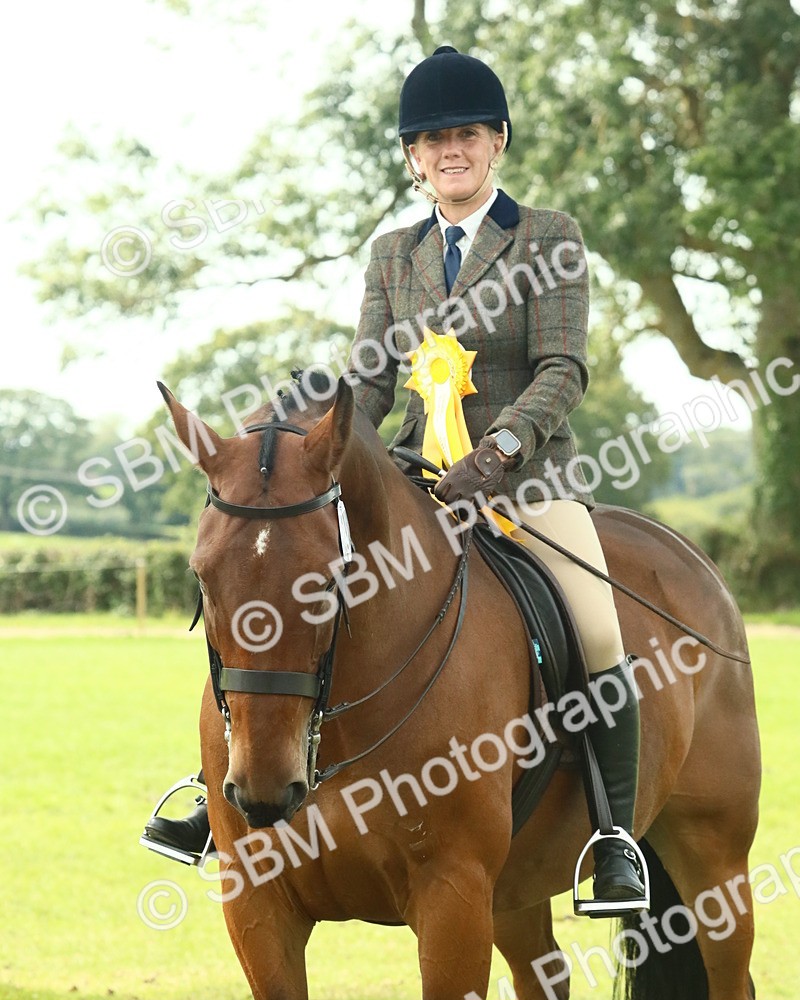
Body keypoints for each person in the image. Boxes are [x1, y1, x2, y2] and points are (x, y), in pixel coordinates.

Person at [141, 44, 645, 913]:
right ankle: (212, 789)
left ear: (497, 145)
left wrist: (504, 452)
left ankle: (614, 840)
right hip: (413, 483)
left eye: (469, 135)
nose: (452, 150)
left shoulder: (549, 237)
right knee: (288, 594)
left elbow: (564, 367)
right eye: (434, 139)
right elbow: (369, 381)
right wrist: (319, 448)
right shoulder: (392, 254)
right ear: (414, 159)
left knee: (598, 632)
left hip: (525, 482)